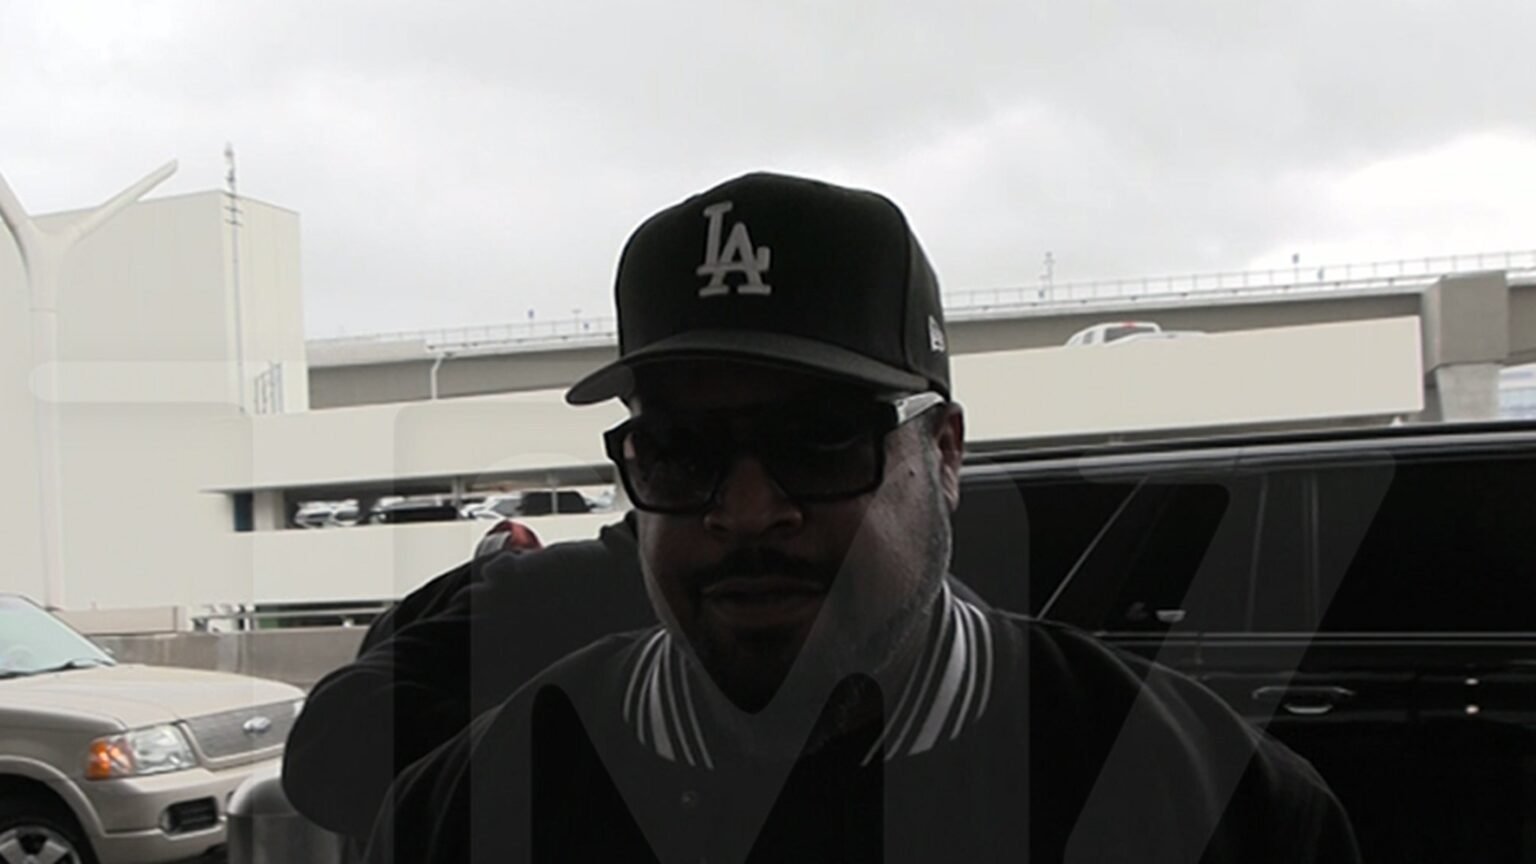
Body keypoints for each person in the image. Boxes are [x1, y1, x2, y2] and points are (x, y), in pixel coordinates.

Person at [365, 172, 1360, 863]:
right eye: (681, 451)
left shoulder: (1215, 810)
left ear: (946, 455)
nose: (747, 510)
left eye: (820, 440)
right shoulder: (464, 820)